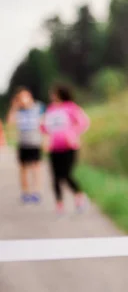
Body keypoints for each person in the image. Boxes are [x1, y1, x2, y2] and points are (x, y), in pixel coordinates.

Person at [40, 84, 90, 214]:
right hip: (54, 148)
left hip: (69, 147)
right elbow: (44, 128)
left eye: (53, 93)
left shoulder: (71, 107)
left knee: (67, 174)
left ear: (60, 94)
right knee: (55, 177)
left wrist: (72, 134)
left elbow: (84, 122)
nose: (51, 95)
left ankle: (79, 196)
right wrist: (44, 136)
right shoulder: (50, 109)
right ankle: (59, 204)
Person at [6, 87, 45, 204]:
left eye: (24, 96)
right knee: (23, 169)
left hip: (35, 142)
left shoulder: (39, 107)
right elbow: (10, 122)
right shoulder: (18, 110)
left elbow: (44, 123)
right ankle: (25, 192)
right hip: (23, 143)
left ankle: (36, 192)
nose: (23, 99)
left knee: (36, 168)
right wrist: (14, 107)